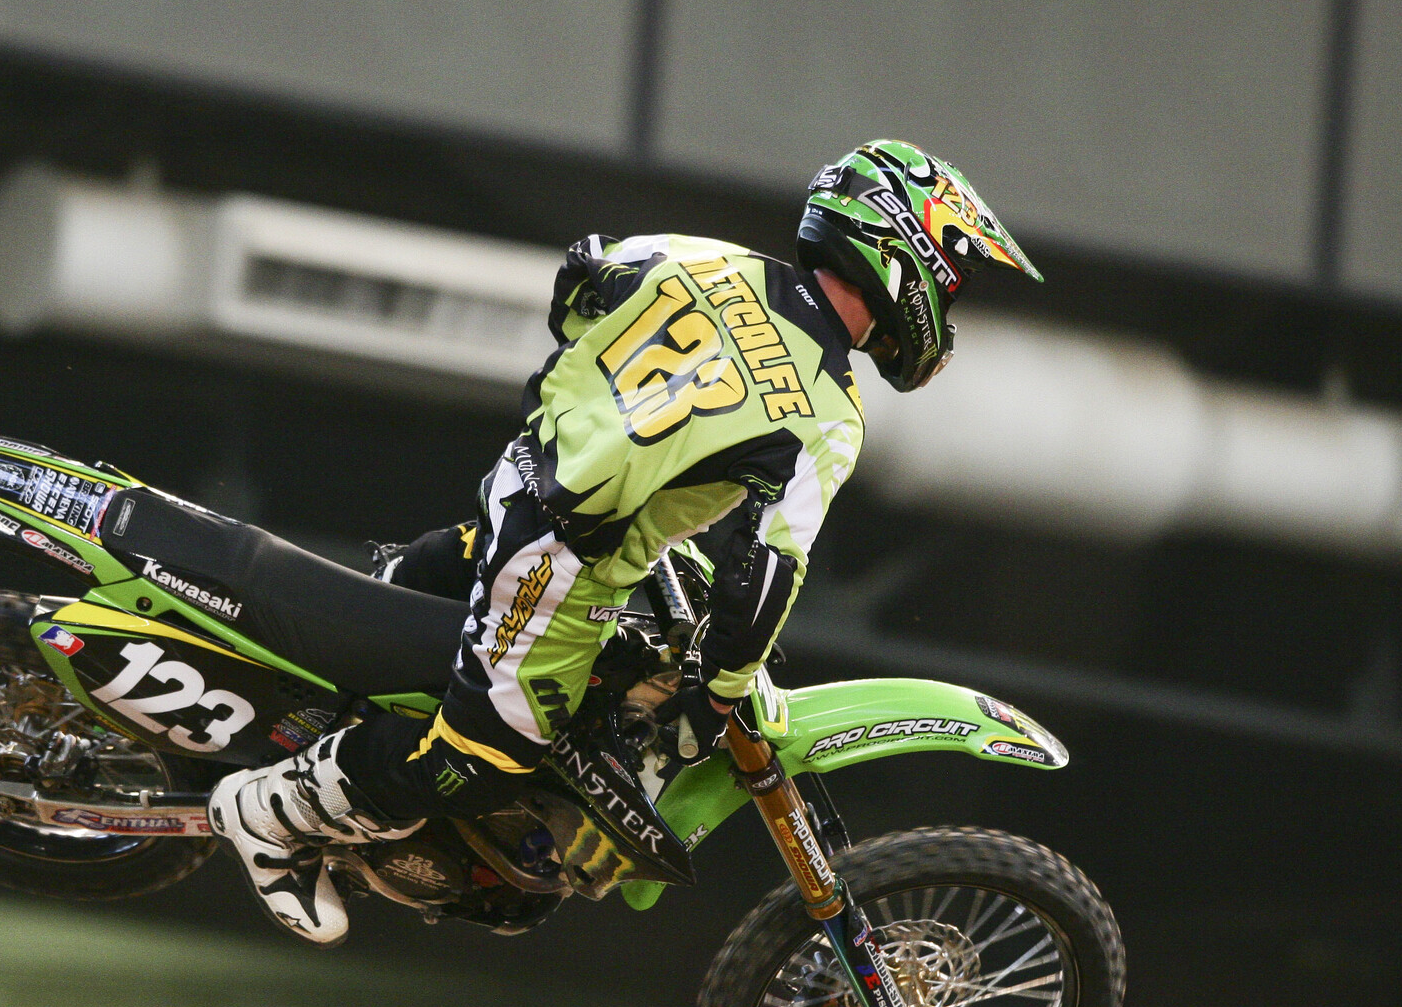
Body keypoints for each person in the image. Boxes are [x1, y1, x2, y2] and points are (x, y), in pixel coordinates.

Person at [202, 141, 1041, 945]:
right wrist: (715, 699)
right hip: (569, 560)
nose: (949, 308)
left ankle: (332, 685)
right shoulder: (826, 409)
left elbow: (587, 267)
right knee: (488, 756)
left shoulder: (708, 259)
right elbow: (769, 574)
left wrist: (613, 429)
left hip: (524, 477)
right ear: (907, 259)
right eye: (953, 282)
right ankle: (274, 815)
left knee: (433, 608)